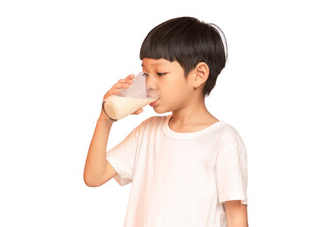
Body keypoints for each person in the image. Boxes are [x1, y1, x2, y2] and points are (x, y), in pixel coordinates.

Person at [84, 16, 248, 227]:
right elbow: (94, 177)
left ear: (198, 75)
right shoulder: (148, 132)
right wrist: (105, 119)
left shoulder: (223, 140)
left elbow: (236, 218)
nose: (149, 84)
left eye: (160, 73)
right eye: (145, 73)